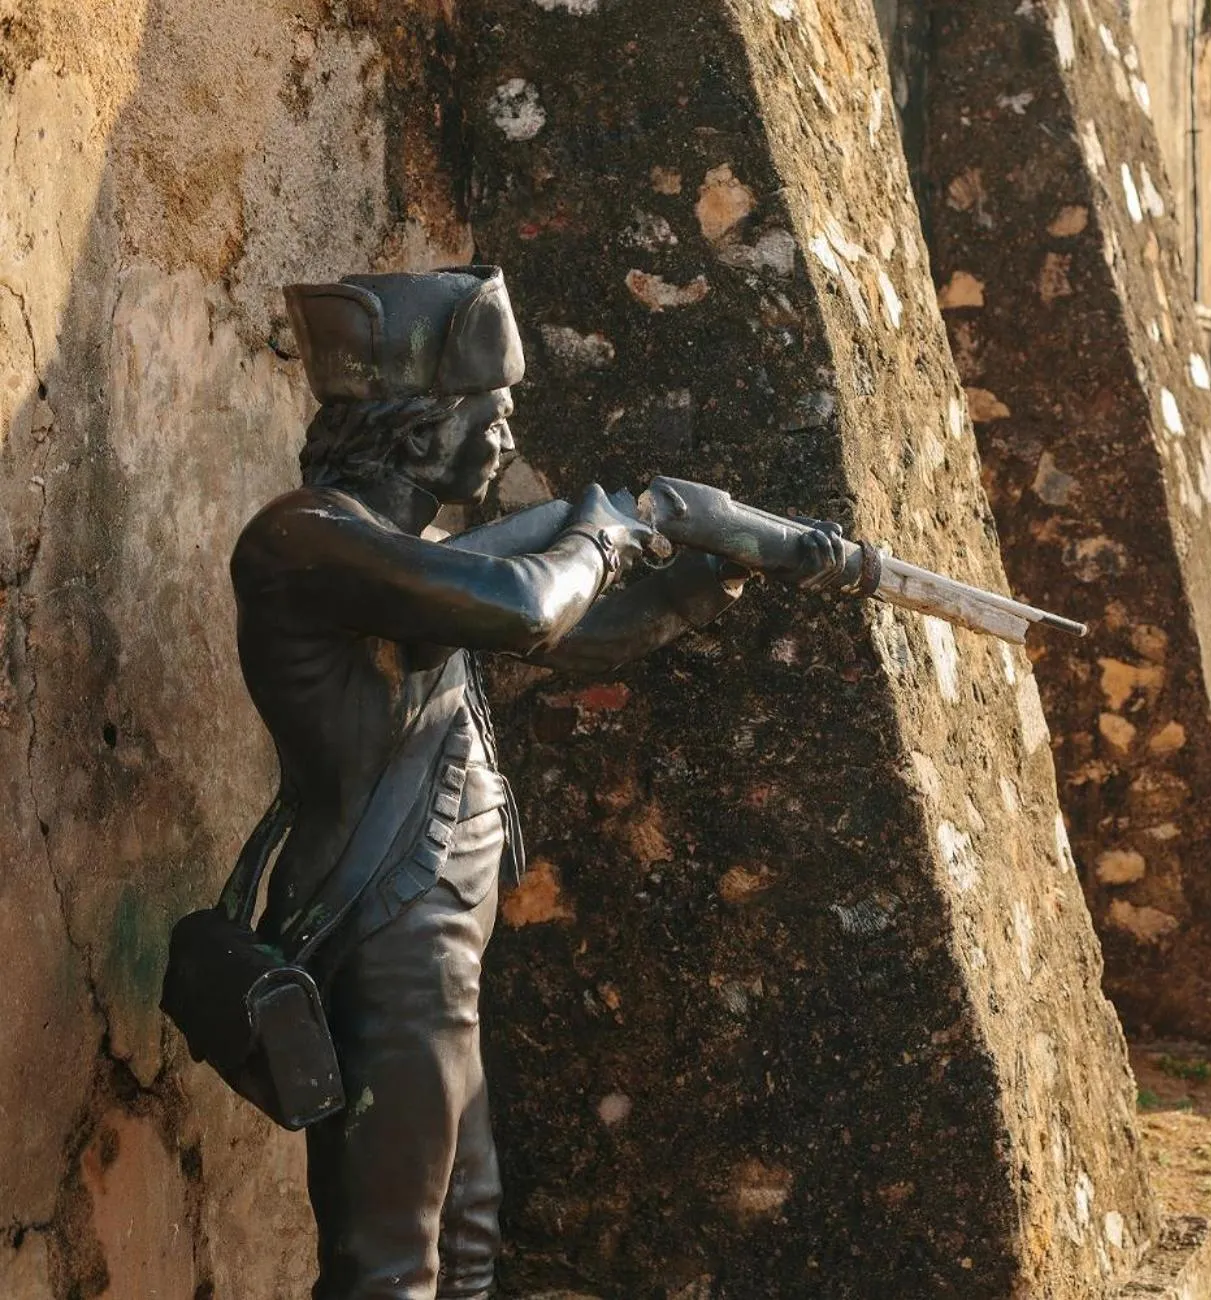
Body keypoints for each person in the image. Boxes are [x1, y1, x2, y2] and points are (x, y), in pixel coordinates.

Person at [229, 266, 846, 1299]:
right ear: (424, 431)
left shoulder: (413, 558)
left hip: (439, 941)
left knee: (466, 1241)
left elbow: (586, 636)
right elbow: (530, 610)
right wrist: (607, 532)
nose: (505, 440)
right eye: (493, 414)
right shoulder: (307, 540)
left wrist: (722, 565)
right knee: (389, 1263)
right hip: (382, 927)